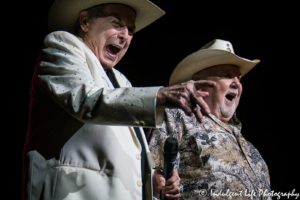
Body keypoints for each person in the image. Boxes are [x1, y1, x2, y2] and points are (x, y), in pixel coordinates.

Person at [22, 0, 216, 200]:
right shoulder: (61, 44)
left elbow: (125, 155)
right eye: (116, 24)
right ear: (85, 21)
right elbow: (86, 99)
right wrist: (159, 96)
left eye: (131, 30)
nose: (125, 36)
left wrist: (152, 181)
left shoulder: (122, 81)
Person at [148, 39, 271, 199]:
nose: (236, 83)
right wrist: (157, 179)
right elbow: (152, 170)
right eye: (228, 75)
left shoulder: (245, 143)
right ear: (199, 84)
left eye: (239, 78)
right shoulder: (177, 116)